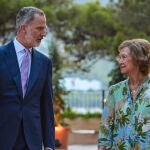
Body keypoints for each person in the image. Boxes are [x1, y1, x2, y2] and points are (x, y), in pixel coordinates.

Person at [0, 6, 54, 150]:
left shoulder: (45, 62)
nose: (43, 34)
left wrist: (49, 144)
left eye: (44, 29)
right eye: (39, 28)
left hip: (32, 141)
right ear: (24, 28)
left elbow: (46, 105)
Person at [98, 39, 150, 150]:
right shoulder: (114, 91)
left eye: (124, 57)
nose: (119, 61)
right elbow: (105, 127)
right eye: (119, 57)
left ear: (138, 59)